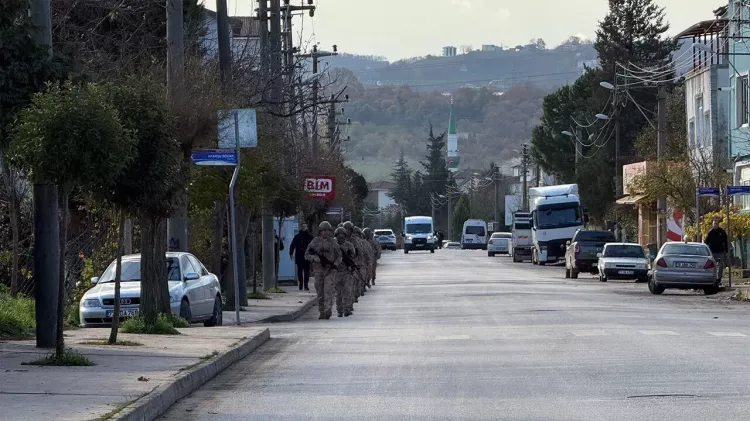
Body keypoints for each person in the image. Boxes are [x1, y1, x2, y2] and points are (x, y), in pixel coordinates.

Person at [305, 221, 341, 319]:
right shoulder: (314, 241)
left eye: (327, 230)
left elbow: (339, 256)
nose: (325, 232)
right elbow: (307, 255)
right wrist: (314, 258)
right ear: (320, 231)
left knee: (328, 291)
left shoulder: (334, 242)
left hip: (330, 271)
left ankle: (327, 310)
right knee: (320, 292)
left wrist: (335, 264)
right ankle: (321, 311)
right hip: (318, 271)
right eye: (323, 230)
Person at [335, 227, 356, 317]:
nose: (341, 236)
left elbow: (353, 256)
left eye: (342, 234)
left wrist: (350, 264)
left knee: (347, 290)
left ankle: (347, 309)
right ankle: (339, 310)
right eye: (339, 235)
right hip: (336, 271)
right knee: (338, 293)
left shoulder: (349, 245)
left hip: (346, 271)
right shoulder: (334, 245)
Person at [289, 223, 314, 291]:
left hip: (307, 256)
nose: (303, 227)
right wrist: (291, 253)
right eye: (302, 226)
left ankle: (306, 285)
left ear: (307, 227)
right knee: (299, 271)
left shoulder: (310, 236)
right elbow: (292, 245)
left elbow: (314, 246)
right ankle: (300, 283)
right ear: (300, 227)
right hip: (299, 256)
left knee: (306, 272)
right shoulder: (297, 236)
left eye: (305, 226)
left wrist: (313, 254)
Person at [704, 217, 729, 282]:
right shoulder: (710, 232)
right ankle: (713, 278)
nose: (715, 225)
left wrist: (726, 251)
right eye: (714, 224)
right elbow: (706, 242)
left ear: (718, 224)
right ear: (712, 224)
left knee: (720, 266)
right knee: (713, 266)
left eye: (716, 223)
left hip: (720, 251)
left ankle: (719, 279)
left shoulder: (722, 231)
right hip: (713, 252)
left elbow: (725, 242)